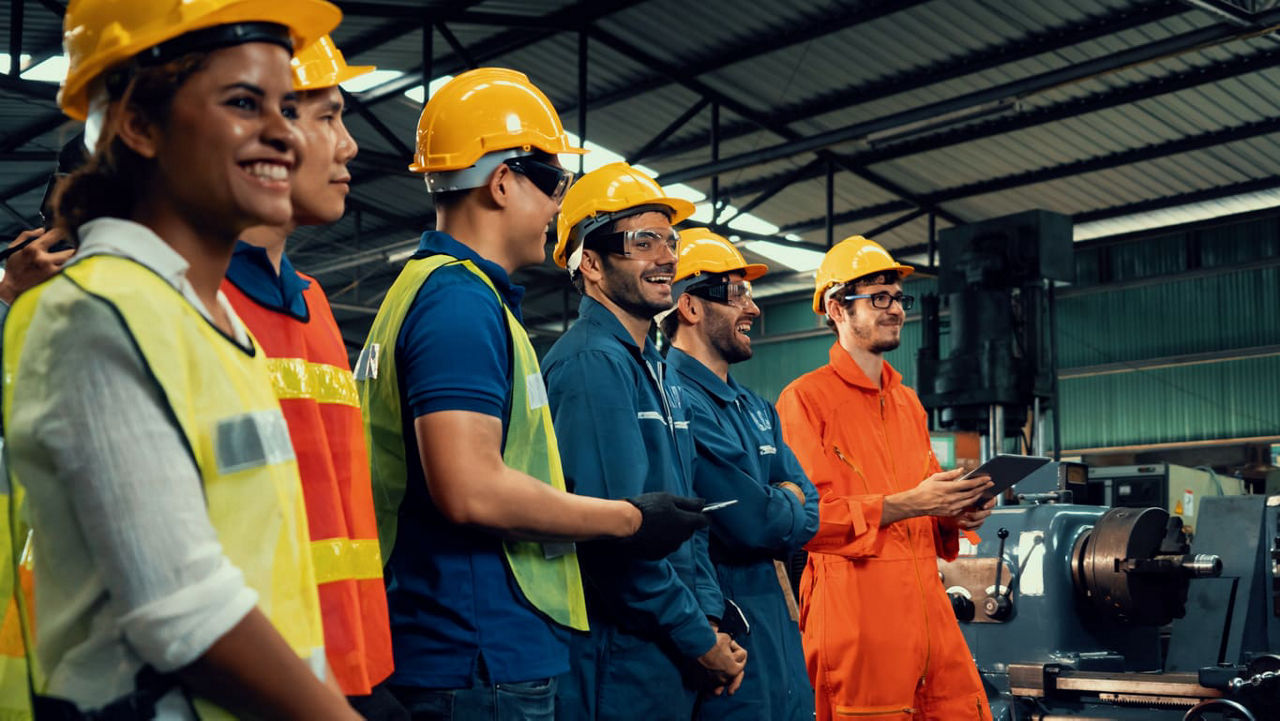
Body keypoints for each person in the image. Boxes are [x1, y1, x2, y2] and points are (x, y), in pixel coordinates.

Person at [2, 0, 361, 717]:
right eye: (243, 102)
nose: (283, 135)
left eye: (288, 107)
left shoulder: (210, 318)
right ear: (138, 123)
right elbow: (183, 612)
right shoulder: (96, 315)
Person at [356, 69, 707, 721]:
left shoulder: (429, 292)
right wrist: (631, 517)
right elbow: (471, 488)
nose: (555, 207)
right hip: (476, 652)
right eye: (553, 185)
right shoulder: (459, 303)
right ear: (501, 181)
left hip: (462, 647)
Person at [222, 35, 401, 719]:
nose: (350, 145)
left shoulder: (317, 306)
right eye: (327, 117)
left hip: (346, 672)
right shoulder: (193, 306)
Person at [543, 162, 748, 720]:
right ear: (589, 261)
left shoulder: (654, 367)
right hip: (620, 656)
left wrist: (708, 619)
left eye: (670, 240)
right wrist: (700, 640)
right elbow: (619, 542)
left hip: (669, 647)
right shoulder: (592, 365)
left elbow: (688, 519)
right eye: (643, 240)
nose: (666, 256)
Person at [775, 235, 997, 721]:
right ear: (836, 309)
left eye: (897, 297)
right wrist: (912, 503)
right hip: (858, 620)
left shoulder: (907, 402)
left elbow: (926, 499)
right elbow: (808, 522)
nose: (895, 308)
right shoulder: (804, 400)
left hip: (929, 616)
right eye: (877, 297)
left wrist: (960, 510)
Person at [659, 228, 819, 721]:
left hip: (778, 624)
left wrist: (782, 503)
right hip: (729, 628)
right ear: (689, 307)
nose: (752, 309)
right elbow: (753, 523)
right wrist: (780, 500)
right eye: (735, 293)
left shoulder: (756, 407)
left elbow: (809, 508)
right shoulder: (675, 399)